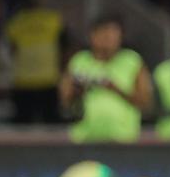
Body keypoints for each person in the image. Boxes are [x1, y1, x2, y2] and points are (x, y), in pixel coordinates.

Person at [59, 14, 153, 142]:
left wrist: (114, 88)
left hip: (123, 139)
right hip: (84, 138)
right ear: (92, 36)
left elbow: (145, 102)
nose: (108, 39)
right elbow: (65, 100)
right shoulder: (79, 61)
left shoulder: (132, 61)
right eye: (103, 34)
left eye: (112, 35)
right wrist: (79, 90)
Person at [3, 0, 64, 124]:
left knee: (23, 129)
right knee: (51, 126)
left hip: (27, 81)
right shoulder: (53, 19)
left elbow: (11, 51)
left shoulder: (14, 23)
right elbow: (64, 48)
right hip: (44, 81)